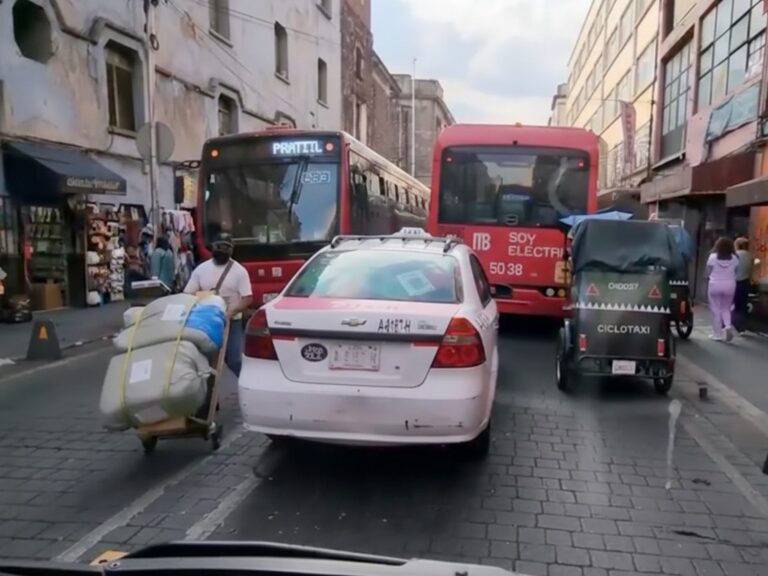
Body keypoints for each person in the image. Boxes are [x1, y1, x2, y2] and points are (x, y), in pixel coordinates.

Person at [184, 233, 252, 377]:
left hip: (231, 321)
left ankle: (247, 385)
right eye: (219, 246)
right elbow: (188, 294)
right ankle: (212, 397)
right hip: (206, 323)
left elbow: (247, 298)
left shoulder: (239, 271)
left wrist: (232, 310)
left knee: (234, 360)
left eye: (225, 247)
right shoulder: (201, 270)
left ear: (231, 250)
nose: (221, 250)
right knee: (208, 365)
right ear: (212, 248)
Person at [706, 237, 739, 342]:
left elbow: (708, 270)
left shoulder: (712, 257)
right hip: (730, 284)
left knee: (715, 309)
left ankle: (717, 334)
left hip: (715, 284)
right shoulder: (734, 258)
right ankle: (728, 326)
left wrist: (708, 277)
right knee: (726, 307)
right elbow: (736, 271)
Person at [733, 237, 753, 333]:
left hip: (735, 282)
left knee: (736, 303)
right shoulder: (750, 256)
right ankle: (742, 325)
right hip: (745, 282)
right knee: (743, 304)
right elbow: (751, 270)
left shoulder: (735, 255)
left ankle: (736, 323)